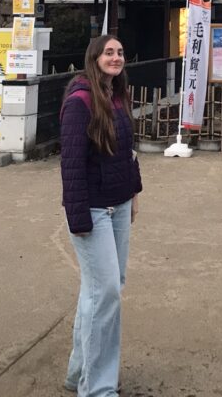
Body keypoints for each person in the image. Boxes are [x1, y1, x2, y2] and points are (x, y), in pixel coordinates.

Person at [60, 34, 142, 397]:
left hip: (119, 204)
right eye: (109, 52)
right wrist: (78, 219)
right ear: (93, 58)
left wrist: (134, 192)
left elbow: (128, 151)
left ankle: (79, 371)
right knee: (106, 292)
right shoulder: (79, 102)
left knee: (102, 290)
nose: (116, 57)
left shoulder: (119, 97)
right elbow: (72, 165)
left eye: (121, 52)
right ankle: (97, 389)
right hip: (93, 209)